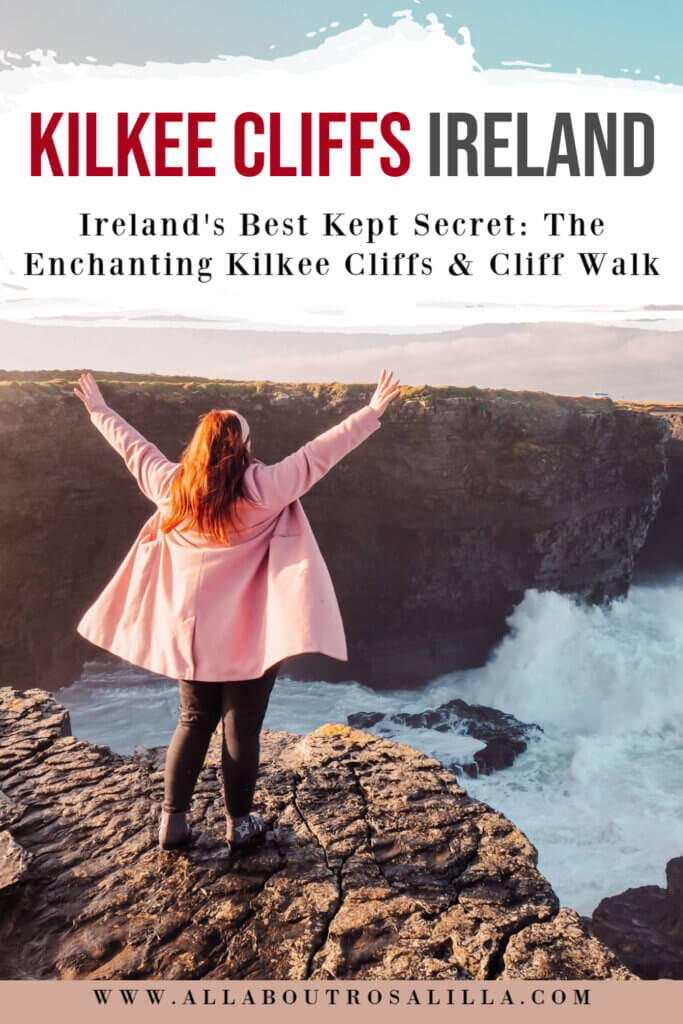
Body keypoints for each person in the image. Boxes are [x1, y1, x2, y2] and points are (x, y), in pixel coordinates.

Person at [73, 370, 400, 851]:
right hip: (249, 638)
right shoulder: (262, 489)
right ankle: (239, 824)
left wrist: (100, 410)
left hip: (192, 636)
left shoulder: (172, 488)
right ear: (241, 447)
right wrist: (371, 411)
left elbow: (133, 449)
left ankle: (172, 823)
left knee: (192, 720)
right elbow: (318, 455)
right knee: (240, 729)